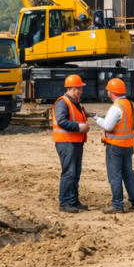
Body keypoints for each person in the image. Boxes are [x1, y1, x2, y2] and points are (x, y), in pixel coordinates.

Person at [92, 78, 134, 213]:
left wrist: (96, 118)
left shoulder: (116, 107)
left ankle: (117, 204)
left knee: (115, 175)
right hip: (128, 145)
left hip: (115, 147)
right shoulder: (131, 105)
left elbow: (108, 125)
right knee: (128, 174)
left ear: (111, 92)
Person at [52, 74, 90, 214]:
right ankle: (65, 202)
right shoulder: (63, 103)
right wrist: (79, 127)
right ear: (72, 88)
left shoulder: (76, 103)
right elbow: (62, 121)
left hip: (76, 142)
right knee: (69, 172)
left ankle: (73, 200)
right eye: (79, 88)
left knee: (75, 173)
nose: (81, 91)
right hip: (66, 142)